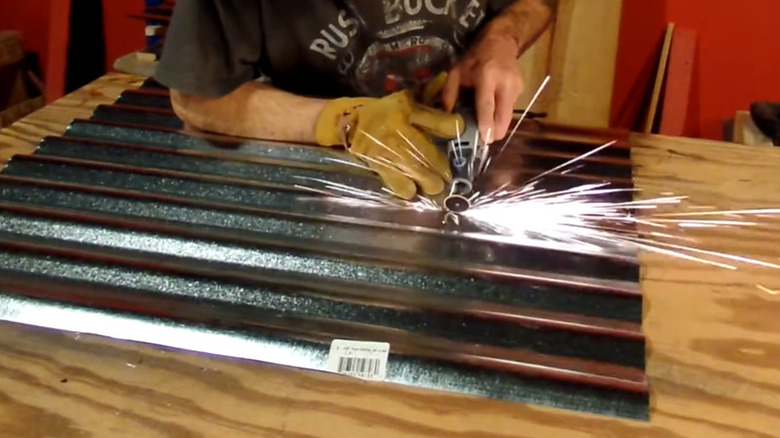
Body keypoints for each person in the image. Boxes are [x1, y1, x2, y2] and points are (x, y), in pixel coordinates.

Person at [154, 0, 556, 199]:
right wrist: (345, 120)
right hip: (322, 182)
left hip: (453, 154)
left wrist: (501, 39)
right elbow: (197, 96)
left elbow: (534, 4)